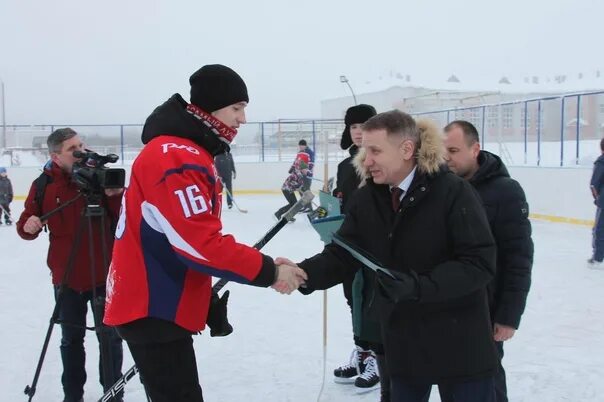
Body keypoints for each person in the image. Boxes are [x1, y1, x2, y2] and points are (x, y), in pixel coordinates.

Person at [103, 64, 307, 402]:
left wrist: (198, 295)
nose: (242, 119)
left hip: (158, 304)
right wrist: (269, 270)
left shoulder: (183, 150)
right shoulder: (176, 155)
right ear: (210, 108)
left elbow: (178, 240)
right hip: (152, 308)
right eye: (237, 108)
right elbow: (199, 244)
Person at [277, 110, 498, 402]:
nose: (366, 160)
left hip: (460, 341)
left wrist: (417, 286)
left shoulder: (454, 192)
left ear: (406, 150)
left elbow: (478, 264)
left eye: (375, 151)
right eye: (365, 151)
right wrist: (304, 274)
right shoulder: (369, 197)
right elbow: (345, 252)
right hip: (403, 341)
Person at [16, 128, 124, 402]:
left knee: (110, 339)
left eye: (81, 144)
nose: (81, 151)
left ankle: (114, 394)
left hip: (104, 275)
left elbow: (124, 220)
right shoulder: (44, 185)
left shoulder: (98, 178)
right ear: (55, 156)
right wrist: (29, 225)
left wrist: (114, 195)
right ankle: (72, 396)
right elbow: (26, 223)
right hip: (66, 279)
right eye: (72, 148)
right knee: (71, 341)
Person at [443, 120, 533, 402]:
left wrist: (508, 315)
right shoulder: (441, 188)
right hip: (446, 307)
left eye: (454, 150)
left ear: (475, 149)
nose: (447, 158)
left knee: (486, 383)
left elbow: (518, 257)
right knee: (451, 378)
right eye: (443, 151)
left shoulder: (505, 191)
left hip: (486, 310)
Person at [331, 104, 384, 396]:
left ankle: (377, 356)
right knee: (353, 297)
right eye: (354, 127)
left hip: (377, 246)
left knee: (373, 299)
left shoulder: (383, 162)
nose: (359, 132)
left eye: (364, 126)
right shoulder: (343, 167)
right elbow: (343, 203)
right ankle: (361, 352)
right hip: (349, 243)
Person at [274, 151, 310, 220]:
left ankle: (288, 216)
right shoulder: (297, 175)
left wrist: (304, 191)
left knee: (293, 204)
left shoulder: (300, 175)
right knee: (293, 204)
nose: (306, 171)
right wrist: (297, 186)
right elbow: (292, 182)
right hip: (286, 189)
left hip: (289, 190)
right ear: (302, 169)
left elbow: (300, 185)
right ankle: (278, 213)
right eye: (305, 169)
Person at [588, 137, 604, 269]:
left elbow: (594, 184)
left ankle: (598, 258)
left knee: (599, 230)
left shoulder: (601, 162)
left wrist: (598, 199)